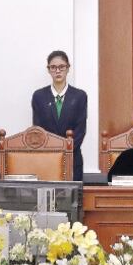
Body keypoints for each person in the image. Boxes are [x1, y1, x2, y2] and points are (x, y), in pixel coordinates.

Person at [31, 50, 88, 180]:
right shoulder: (39, 96)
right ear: (48, 70)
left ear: (68, 69)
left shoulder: (79, 96)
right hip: (47, 159)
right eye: (53, 67)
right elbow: (38, 130)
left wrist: (66, 151)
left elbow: (80, 130)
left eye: (62, 67)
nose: (58, 71)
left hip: (73, 158)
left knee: (73, 199)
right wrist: (53, 153)